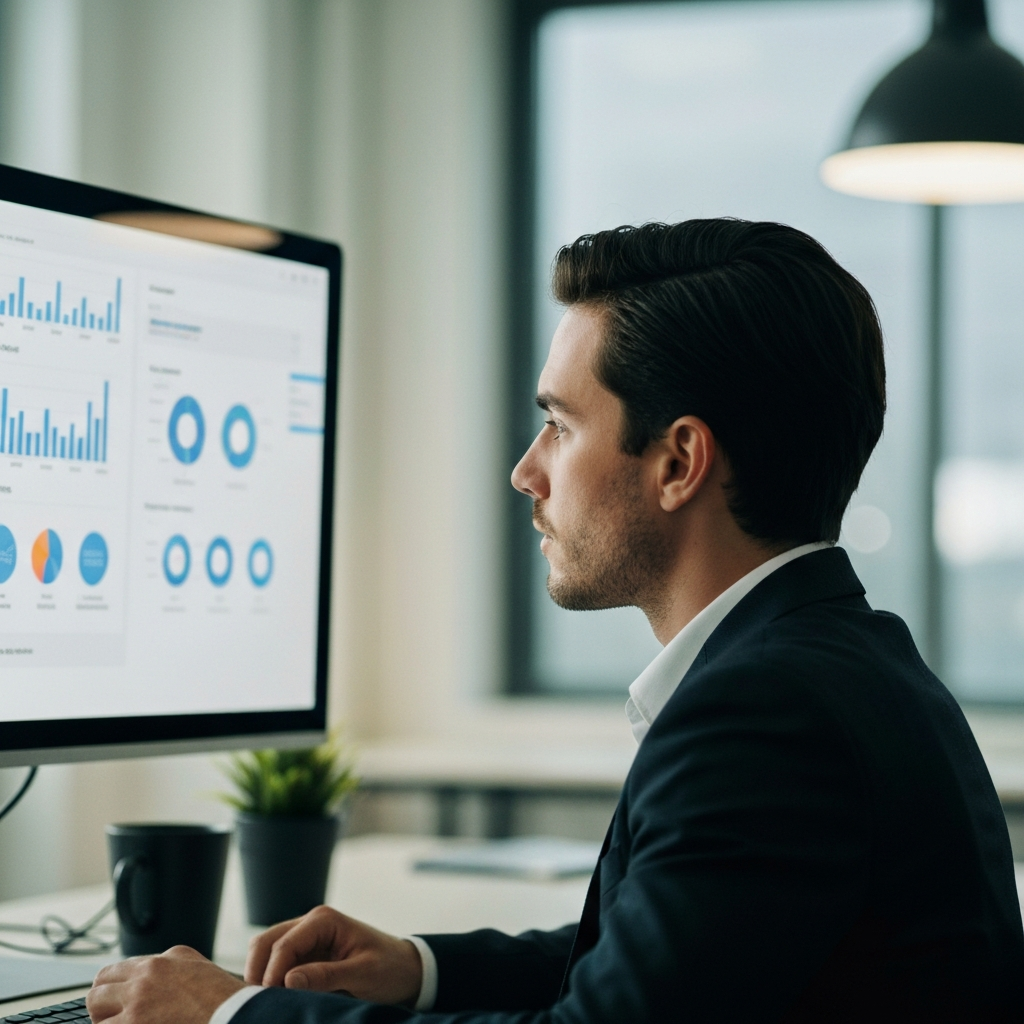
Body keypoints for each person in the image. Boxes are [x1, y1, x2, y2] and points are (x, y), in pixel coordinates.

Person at [87, 220, 1024, 1023]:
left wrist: (231, 1012)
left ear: (678, 463)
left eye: (561, 426)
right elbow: (671, 964)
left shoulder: (762, 713)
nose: (526, 471)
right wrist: (418, 968)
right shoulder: (849, 661)